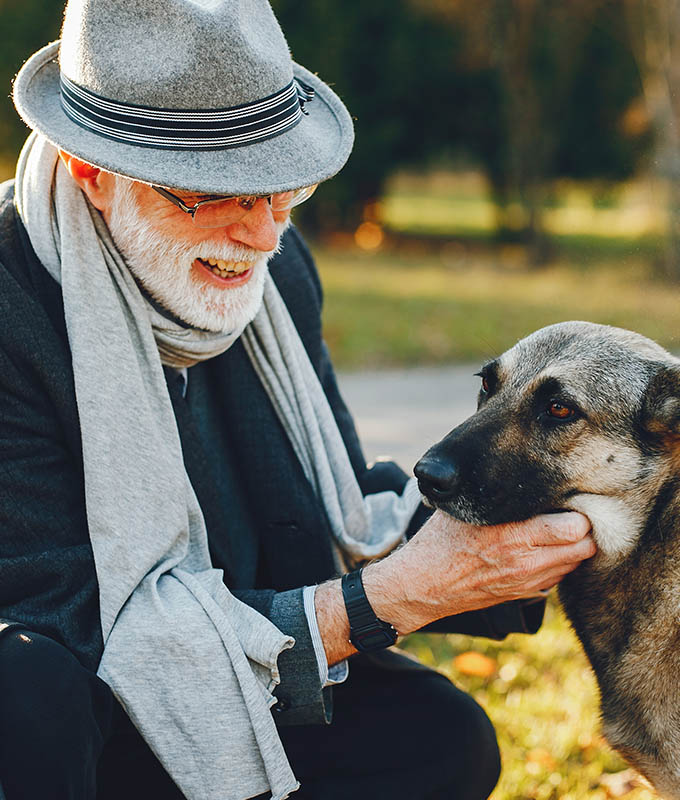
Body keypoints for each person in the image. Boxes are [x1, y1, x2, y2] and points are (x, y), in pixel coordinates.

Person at [0, 1, 596, 798]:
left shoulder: (276, 274)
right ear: (94, 172)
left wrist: (534, 518)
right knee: (25, 691)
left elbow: (329, 519)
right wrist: (396, 595)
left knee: (443, 741)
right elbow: (75, 627)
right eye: (215, 192)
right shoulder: (11, 306)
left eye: (280, 186)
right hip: (81, 711)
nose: (262, 232)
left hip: (243, 663)